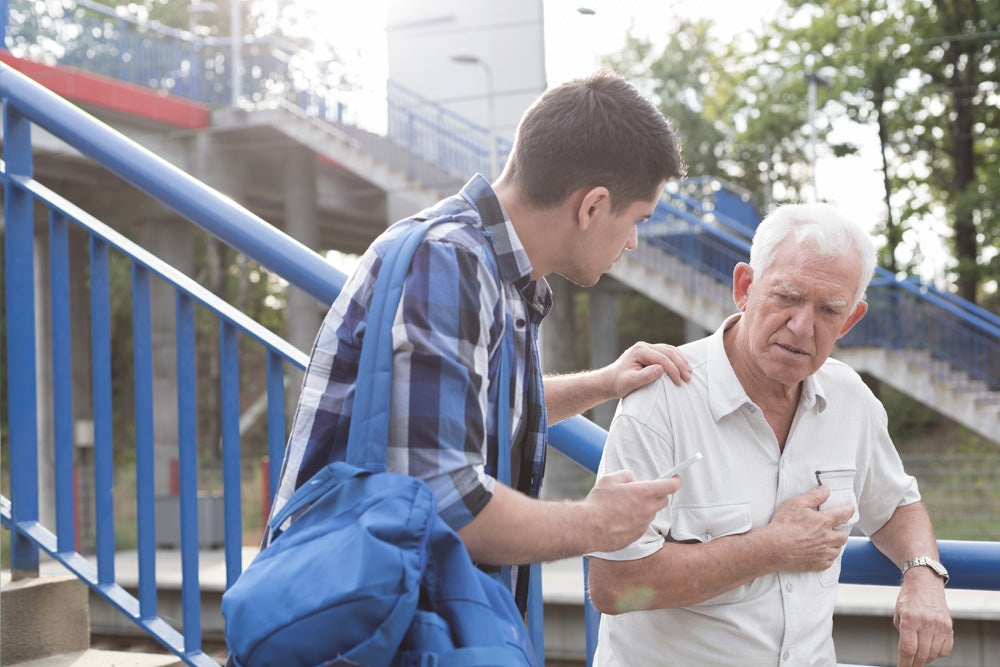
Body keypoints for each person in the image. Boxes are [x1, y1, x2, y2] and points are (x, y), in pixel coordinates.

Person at [268, 70, 690, 609]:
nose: (632, 242)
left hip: (377, 616)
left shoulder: (487, 266)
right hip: (356, 628)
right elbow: (444, 499)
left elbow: (466, 404)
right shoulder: (447, 263)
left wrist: (604, 383)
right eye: (637, 220)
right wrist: (597, 523)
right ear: (591, 206)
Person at [587, 203, 954, 667]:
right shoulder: (662, 398)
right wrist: (771, 547)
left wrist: (923, 574)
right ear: (745, 287)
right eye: (786, 297)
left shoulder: (850, 399)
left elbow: (896, 504)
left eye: (829, 310)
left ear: (851, 320)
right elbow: (614, 585)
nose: (802, 327)